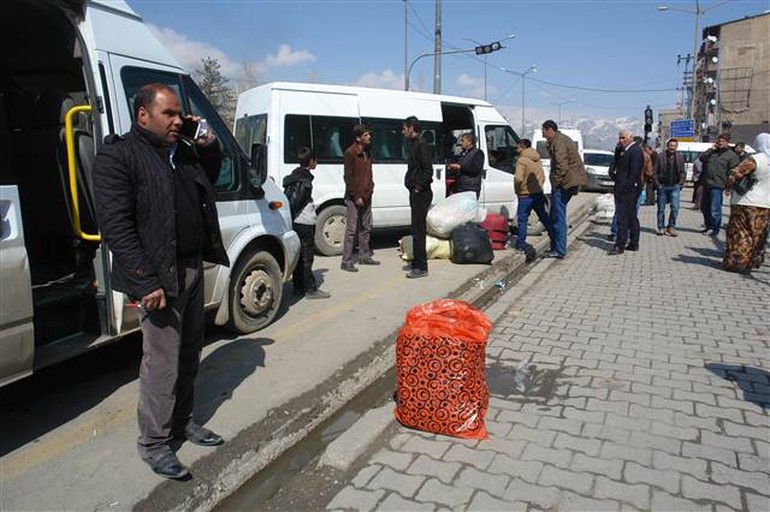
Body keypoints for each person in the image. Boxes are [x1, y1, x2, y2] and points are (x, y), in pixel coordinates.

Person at [92, 83, 229, 480]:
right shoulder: (119, 157)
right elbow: (116, 227)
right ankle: (154, 442)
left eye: (179, 114)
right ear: (142, 116)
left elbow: (213, 173)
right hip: (157, 277)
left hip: (189, 268)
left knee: (189, 353)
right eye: (169, 114)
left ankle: (182, 421)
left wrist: (204, 139)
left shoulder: (183, 153)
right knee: (162, 363)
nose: (177, 121)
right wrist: (144, 280)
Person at [283, 147, 330, 299]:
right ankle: (310, 289)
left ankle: (298, 288)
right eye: (315, 160)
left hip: (297, 222)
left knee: (299, 255)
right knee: (307, 256)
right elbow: (296, 202)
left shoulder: (294, 176)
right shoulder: (305, 181)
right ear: (311, 162)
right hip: (304, 222)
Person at [723, 133, 770, 273]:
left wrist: (730, 184)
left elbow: (735, 173)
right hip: (766, 204)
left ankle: (737, 263)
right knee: (758, 234)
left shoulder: (756, 159)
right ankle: (753, 261)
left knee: (741, 232)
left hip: (746, 201)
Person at [541, 120, 587, 259]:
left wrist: (555, 183)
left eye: (544, 131)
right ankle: (555, 247)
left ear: (550, 130)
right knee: (555, 215)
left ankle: (559, 249)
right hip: (567, 182)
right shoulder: (559, 140)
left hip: (564, 184)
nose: (543, 134)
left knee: (558, 216)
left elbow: (561, 166)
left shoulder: (559, 142)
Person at [341, 124, 379, 272]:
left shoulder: (367, 153)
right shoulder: (350, 153)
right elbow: (348, 177)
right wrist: (356, 196)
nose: (369, 137)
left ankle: (365, 256)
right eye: (366, 135)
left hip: (367, 195)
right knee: (351, 229)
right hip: (354, 198)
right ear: (358, 138)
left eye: (369, 135)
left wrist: (370, 190)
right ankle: (346, 260)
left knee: (365, 227)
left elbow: (369, 174)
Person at [402, 116, 433, 278]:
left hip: (421, 193)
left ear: (411, 128)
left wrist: (418, 186)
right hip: (415, 192)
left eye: (404, 128)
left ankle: (421, 267)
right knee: (415, 229)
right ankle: (417, 263)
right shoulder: (414, 144)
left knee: (419, 230)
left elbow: (428, 170)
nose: (402, 132)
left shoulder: (421, 145)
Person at [608, 129, 644, 255]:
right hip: (622, 187)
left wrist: (627, 189)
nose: (621, 140)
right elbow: (617, 165)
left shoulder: (635, 151)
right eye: (619, 138)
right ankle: (633, 243)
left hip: (628, 190)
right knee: (630, 217)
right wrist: (618, 151)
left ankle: (620, 245)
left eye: (623, 138)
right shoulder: (623, 151)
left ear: (630, 138)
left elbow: (634, 172)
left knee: (623, 218)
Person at [513, 138, 553, 250]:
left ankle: (521, 243)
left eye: (517, 147)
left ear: (522, 147)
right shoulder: (537, 159)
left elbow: (518, 178)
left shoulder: (522, 160)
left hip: (525, 194)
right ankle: (554, 237)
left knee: (522, 219)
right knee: (544, 217)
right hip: (538, 193)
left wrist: (518, 191)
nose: (516, 150)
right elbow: (542, 177)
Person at [699, 133, 740, 236]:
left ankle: (715, 228)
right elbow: (702, 158)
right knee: (704, 207)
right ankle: (708, 226)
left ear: (727, 142)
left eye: (723, 141)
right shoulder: (712, 152)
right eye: (719, 141)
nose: (720, 143)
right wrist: (710, 150)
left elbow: (733, 172)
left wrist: (729, 187)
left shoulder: (732, 155)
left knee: (715, 208)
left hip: (718, 184)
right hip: (707, 183)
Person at [653, 138, 686, 236]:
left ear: (677, 147)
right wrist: (658, 184)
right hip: (662, 186)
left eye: (674, 146)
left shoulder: (680, 157)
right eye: (671, 146)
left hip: (675, 186)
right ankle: (661, 227)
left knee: (675, 208)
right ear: (667, 146)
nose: (672, 148)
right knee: (661, 209)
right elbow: (654, 172)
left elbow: (683, 172)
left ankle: (671, 227)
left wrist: (681, 183)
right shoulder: (660, 156)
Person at [446, 132, 484, 198]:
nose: (460, 143)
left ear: (469, 142)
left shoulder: (477, 153)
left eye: (462, 140)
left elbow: (475, 169)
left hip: (470, 188)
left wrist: (460, 167)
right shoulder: (464, 153)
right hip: (461, 187)